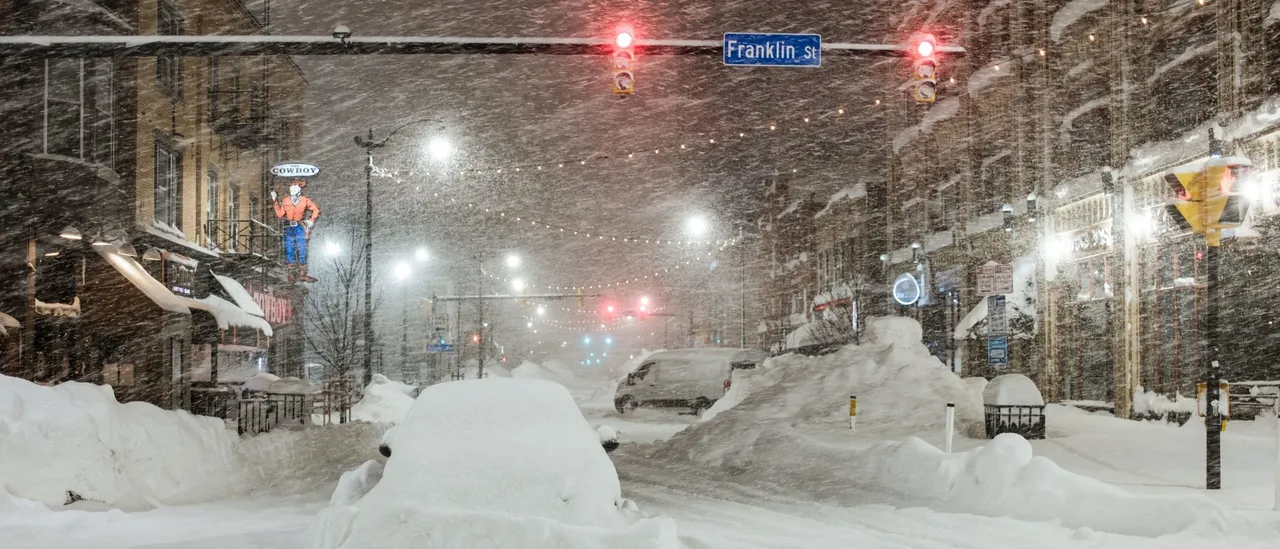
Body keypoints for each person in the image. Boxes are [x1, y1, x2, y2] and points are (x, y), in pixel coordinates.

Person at [271, 179, 321, 282]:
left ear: (299, 192)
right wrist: (275, 201)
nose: (293, 191)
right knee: (289, 248)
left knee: (301, 248)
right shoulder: (285, 200)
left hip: (299, 226)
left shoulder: (305, 200)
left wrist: (311, 220)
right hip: (289, 226)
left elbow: (316, 210)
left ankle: (302, 273)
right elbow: (280, 214)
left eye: (295, 188)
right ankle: (291, 273)